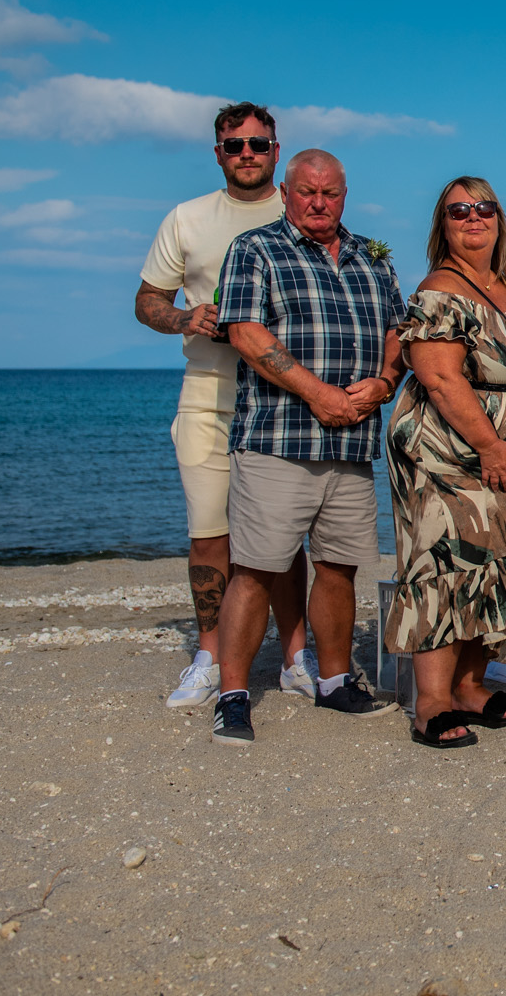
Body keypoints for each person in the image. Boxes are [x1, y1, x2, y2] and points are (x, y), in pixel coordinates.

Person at [210, 149, 407, 745]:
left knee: (339, 568)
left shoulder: (372, 256)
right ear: (287, 192)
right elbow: (244, 332)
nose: (318, 202)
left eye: (330, 192)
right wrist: (317, 392)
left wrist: (386, 382)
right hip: (278, 440)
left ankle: (335, 679)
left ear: (345, 193)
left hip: (351, 444)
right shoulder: (256, 248)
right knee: (255, 570)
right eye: (306, 191)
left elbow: (399, 329)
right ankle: (234, 695)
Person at [383, 178, 506, 749]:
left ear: (500, 220)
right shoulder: (441, 289)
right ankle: (432, 703)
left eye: (484, 208)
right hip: (454, 450)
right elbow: (439, 377)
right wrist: (490, 444)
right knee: (447, 564)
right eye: (458, 210)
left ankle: (469, 685)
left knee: (494, 565)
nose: (473, 218)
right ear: (441, 225)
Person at [136, 102, 313, 707]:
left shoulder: (301, 212)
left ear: (276, 152)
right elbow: (146, 300)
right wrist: (186, 316)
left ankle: (296, 655)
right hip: (209, 398)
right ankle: (209, 656)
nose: (246, 154)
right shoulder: (186, 219)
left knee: (283, 540)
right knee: (210, 534)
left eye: (258, 145)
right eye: (234, 145)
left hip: (282, 401)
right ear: (217, 153)